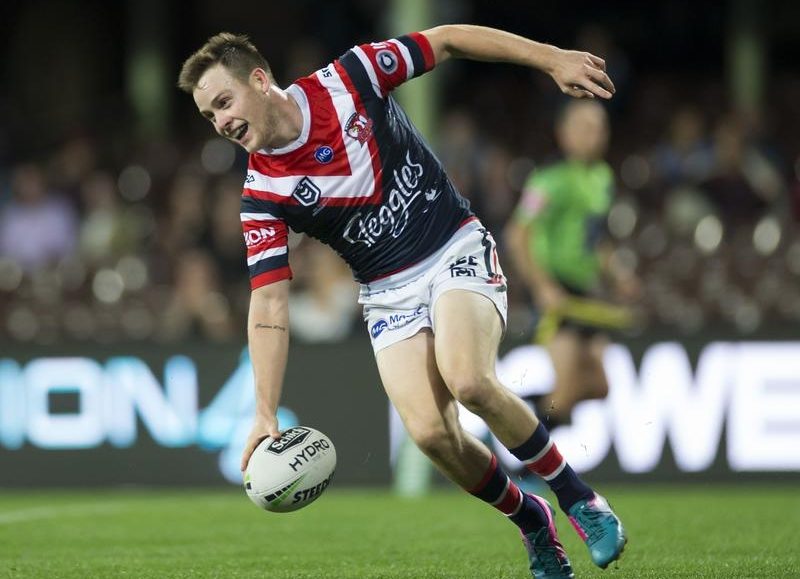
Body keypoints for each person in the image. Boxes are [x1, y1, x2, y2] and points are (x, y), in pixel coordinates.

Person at [178, 25, 626, 578]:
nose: (221, 122)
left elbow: (449, 39)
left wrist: (551, 58)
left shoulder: (350, 77)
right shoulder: (261, 195)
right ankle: (531, 519)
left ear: (258, 80)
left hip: (451, 246)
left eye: (224, 102)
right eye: (209, 115)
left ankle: (580, 498)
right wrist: (264, 411)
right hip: (387, 292)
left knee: (468, 380)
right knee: (432, 434)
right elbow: (268, 304)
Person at [505, 100, 638, 429]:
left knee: (599, 387)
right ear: (564, 133)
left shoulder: (602, 177)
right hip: (558, 288)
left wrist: (618, 274)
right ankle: (525, 451)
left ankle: (519, 411)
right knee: (565, 390)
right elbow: (516, 235)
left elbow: (596, 239)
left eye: (600, 128)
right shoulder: (548, 181)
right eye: (585, 127)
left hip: (586, 292)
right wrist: (543, 287)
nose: (595, 135)